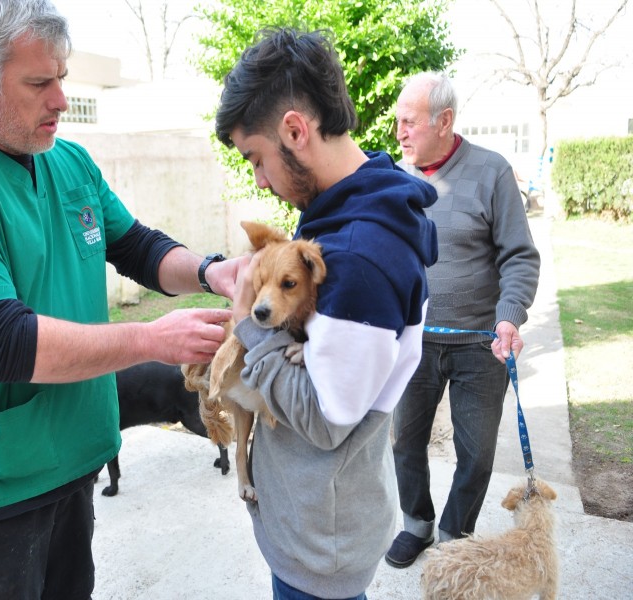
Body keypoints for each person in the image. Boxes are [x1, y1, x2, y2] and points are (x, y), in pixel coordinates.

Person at [0, 1, 241, 597]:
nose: (59, 99)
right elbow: (1, 342)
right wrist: (152, 339)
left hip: (74, 458)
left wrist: (215, 271)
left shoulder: (69, 162)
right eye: (38, 82)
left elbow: (137, 248)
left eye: (63, 78)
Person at [215, 28, 439, 599]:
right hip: (318, 522)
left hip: (320, 547)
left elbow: (325, 421)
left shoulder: (358, 256)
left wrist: (250, 328)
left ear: (295, 129)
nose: (260, 178)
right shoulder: (344, 215)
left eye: (257, 159)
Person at [385, 71, 541, 568]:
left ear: (444, 120)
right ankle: (417, 524)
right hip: (413, 342)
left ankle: (455, 532)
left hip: (480, 344)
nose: (399, 133)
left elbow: (519, 256)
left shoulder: (492, 172)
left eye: (409, 122)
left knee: (475, 455)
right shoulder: (395, 180)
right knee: (404, 441)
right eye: (397, 122)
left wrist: (509, 317)